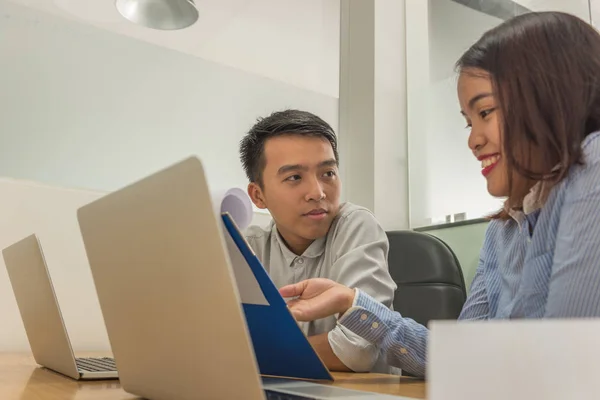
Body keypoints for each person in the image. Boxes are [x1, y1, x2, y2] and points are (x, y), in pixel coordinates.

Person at [278, 11, 600, 378]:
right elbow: (459, 359)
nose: (473, 140)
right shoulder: (505, 230)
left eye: (486, 112)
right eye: (469, 121)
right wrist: (353, 303)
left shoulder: (594, 166)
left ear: (550, 97)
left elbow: (568, 368)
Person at [239, 109, 398, 373]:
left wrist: (255, 354)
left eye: (328, 173)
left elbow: (356, 350)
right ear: (258, 196)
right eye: (294, 177)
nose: (317, 192)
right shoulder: (249, 248)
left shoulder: (356, 226)